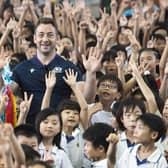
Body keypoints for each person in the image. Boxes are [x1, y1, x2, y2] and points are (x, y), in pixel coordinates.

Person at [10, 17, 82, 124]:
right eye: (41, 35)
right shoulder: (22, 68)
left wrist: (91, 73)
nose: (45, 39)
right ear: (34, 38)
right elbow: (5, 92)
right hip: (30, 130)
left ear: (57, 38)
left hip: (60, 130)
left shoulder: (69, 67)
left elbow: (87, 98)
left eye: (50, 35)